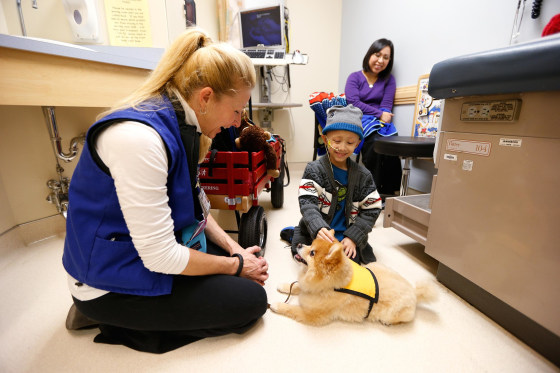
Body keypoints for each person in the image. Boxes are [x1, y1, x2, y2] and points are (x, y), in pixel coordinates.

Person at [62, 28, 269, 354]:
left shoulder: (181, 122)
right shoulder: (139, 139)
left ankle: (142, 313)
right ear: (205, 97)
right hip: (108, 279)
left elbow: (195, 202)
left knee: (230, 269)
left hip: (139, 252)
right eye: (236, 110)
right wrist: (236, 266)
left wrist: (235, 249)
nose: (237, 122)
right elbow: (160, 255)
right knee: (250, 302)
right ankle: (111, 318)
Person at [289, 105, 382, 264]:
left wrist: (353, 237)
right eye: (337, 141)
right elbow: (307, 203)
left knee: (349, 263)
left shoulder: (363, 176)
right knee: (309, 257)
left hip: (347, 236)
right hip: (317, 232)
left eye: (350, 142)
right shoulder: (314, 170)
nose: (342, 147)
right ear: (325, 139)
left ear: (358, 143)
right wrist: (318, 227)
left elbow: (372, 209)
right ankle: (296, 232)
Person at [345, 38, 402, 197]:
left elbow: (387, 104)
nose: (380, 60)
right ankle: (373, 189)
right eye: (377, 55)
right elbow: (354, 103)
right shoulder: (354, 77)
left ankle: (390, 190)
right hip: (358, 119)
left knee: (390, 140)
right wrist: (379, 114)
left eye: (386, 57)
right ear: (370, 55)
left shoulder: (389, 79)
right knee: (374, 143)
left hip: (379, 121)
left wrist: (382, 116)